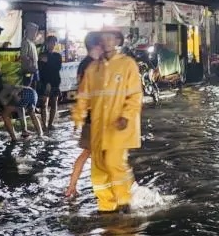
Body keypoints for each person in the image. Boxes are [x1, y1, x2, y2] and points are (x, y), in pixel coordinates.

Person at [71, 31, 142, 213]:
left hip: (118, 127)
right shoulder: (92, 68)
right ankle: (106, 206)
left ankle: (124, 200)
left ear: (117, 41)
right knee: (99, 168)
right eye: (104, 38)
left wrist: (126, 116)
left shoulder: (127, 65)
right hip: (98, 127)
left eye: (111, 38)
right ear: (99, 42)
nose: (107, 42)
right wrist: (78, 118)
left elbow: (135, 95)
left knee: (113, 162)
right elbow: (84, 96)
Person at [66, 33, 104, 198]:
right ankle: (73, 187)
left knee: (89, 152)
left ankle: (72, 187)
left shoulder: (85, 64)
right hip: (94, 117)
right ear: (96, 46)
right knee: (95, 152)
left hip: (90, 116)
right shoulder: (92, 65)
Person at [38, 35, 63, 130]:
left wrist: (47, 60)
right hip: (45, 82)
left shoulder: (57, 55)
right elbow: (41, 70)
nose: (52, 44)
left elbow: (57, 67)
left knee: (54, 103)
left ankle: (50, 124)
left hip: (55, 81)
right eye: (50, 42)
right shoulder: (42, 55)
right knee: (44, 103)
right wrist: (46, 82)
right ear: (47, 43)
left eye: (54, 42)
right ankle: (44, 124)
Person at [20, 22, 40, 87]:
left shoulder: (32, 43)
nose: (35, 34)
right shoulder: (25, 42)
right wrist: (30, 63)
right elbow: (23, 56)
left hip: (34, 71)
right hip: (28, 71)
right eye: (34, 31)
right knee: (27, 89)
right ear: (30, 31)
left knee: (34, 90)